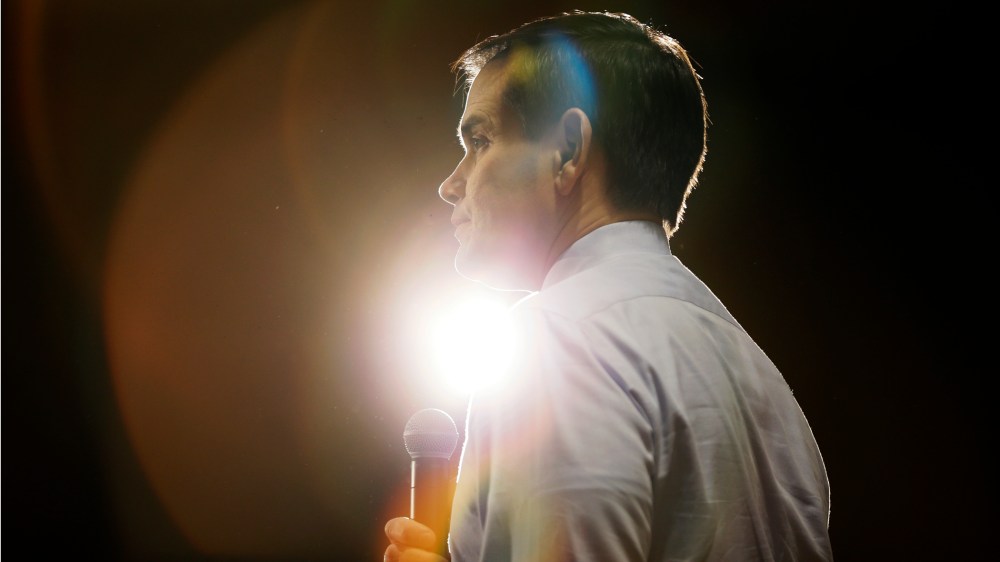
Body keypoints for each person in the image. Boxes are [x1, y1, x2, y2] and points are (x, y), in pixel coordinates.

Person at [384, 10, 832, 562]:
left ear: (568, 151)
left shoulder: (560, 338)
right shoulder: (767, 387)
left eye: (480, 140)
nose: (451, 184)